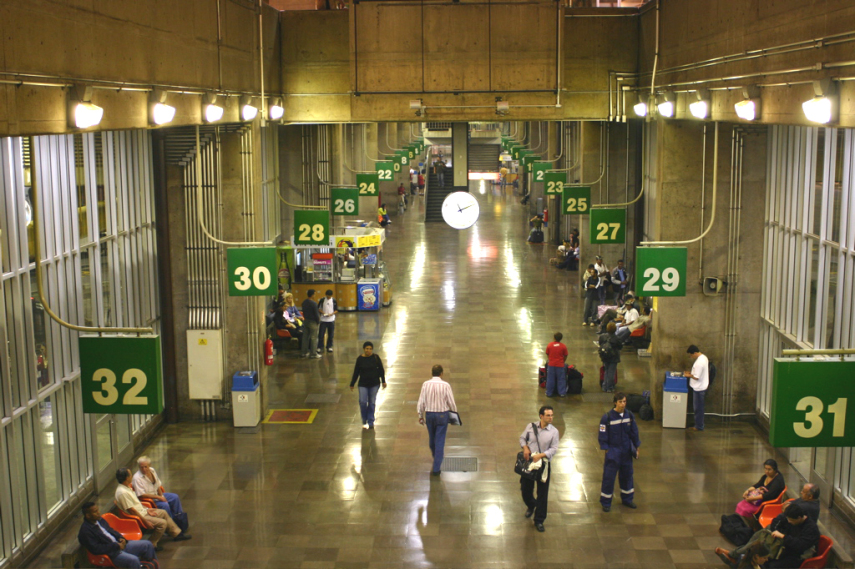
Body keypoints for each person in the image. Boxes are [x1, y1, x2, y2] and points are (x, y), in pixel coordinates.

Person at [716, 503, 819, 569]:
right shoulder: (792, 515)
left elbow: (800, 546)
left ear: (800, 518)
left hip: (795, 555)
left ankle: (736, 558)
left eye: (791, 521)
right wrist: (775, 532)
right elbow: (777, 520)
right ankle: (738, 557)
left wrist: (783, 537)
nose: (788, 522)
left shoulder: (811, 529)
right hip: (782, 546)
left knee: (769, 564)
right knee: (759, 544)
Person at [114, 468, 188, 550]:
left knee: (163, 512)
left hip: (143, 512)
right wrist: (145, 521)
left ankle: (177, 534)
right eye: (130, 474)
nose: (132, 476)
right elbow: (132, 510)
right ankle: (152, 545)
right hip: (139, 516)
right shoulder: (122, 492)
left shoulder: (127, 488)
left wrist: (147, 509)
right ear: (127, 478)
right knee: (162, 523)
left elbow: (136, 503)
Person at [78, 502, 158, 569]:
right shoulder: (86, 531)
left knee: (148, 545)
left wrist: (120, 538)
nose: (98, 512)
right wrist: (116, 546)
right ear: (88, 515)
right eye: (95, 512)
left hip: (120, 545)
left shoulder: (100, 520)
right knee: (134, 560)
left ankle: (152, 566)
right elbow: (96, 548)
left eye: (98, 510)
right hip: (111, 553)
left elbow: (111, 531)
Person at [519, 406, 560, 532]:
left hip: (543, 465)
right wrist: (525, 448)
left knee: (542, 493)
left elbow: (554, 449)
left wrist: (540, 456)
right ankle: (531, 505)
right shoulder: (531, 427)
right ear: (541, 416)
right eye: (548, 415)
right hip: (530, 463)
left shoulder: (554, 432)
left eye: (552, 415)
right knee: (525, 489)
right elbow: (522, 438)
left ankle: (539, 520)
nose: (551, 417)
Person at [599, 392, 640, 512]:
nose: (623, 404)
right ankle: (606, 502)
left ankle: (627, 499)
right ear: (615, 402)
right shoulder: (607, 417)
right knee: (609, 477)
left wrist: (637, 446)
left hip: (626, 451)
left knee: (627, 476)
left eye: (624, 402)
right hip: (613, 451)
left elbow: (634, 432)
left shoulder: (629, 416)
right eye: (621, 402)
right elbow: (602, 434)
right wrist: (606, 449)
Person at [417, 364, 457, 476]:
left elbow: (421, 401)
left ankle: (437, 460)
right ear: (441, 373)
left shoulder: (425, 384)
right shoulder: (446, 385)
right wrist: (454, 416)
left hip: (429, 415)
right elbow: (451, 402)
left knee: (432, 440)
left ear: (432, 373)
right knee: (440, 440)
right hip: (442, 415)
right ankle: (437, 465)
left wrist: (420, 415)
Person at [132, 456, 189, 532]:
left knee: (175, 497)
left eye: (146, 467)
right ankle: (172, 526)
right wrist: (159, 498)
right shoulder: (137, 478)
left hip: (157, 495)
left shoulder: (152, 471)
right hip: (150, 500)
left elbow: (158, 485)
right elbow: (141, 495)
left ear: (150, 465)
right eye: (141, 467)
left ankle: (179, 518)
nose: (144, 469)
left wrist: (161, 495)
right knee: (165, 505)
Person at [350, 341, 386, 429]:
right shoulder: (360, 359)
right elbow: (356, 372)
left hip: (374, 384)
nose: (368, 351)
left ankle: (370, 421)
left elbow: (381, 370)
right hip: (363, 384)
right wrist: (352, 383)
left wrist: (383, 381)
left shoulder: (376, 358)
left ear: (372, 350)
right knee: (362, 402)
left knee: (372, 402)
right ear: (363, 349)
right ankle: (364, 418)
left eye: (370, 349)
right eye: (366, 349)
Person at [683, 345, 709, 431]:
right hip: (703, 386)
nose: (691, 357)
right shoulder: (704, 358)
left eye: (691, 355)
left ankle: (699, 426)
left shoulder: (699, 363)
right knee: (699, 407)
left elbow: (696, 377)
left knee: (698, 408)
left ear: (694, 353)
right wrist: (691, 372)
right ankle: (699, 424)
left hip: (699, 388)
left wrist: (688, 375)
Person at [598, 322, 622, 392]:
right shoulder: (617, 338)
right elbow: (620, 347)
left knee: (606, 371)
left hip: (605, 356)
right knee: (611, 372)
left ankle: (604, 386)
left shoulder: (602, 336)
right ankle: (609, 387)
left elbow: (600, 344)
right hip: (613, 357)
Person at [544, 332, 568, 397]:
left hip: (551, 364)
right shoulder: (563, 346)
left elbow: (547, 353)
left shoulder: (550, 345)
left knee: (550, 379)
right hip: (560, 365)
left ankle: (549, 392)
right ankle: (562, 392)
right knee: (561, 379)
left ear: (554, 337)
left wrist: (550, 360)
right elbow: (565, 355)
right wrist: (562, 361)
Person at [301, 289, 321, 359]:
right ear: (312, 295)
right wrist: (318, 322)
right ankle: (313, 354)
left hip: (306, 321)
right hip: (313, 322)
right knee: (314, 338)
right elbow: (316, 314)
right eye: (315, 294)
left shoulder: (304, 302)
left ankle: (304, 352)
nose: (315, 296)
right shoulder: (314, 303)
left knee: (305, 337)